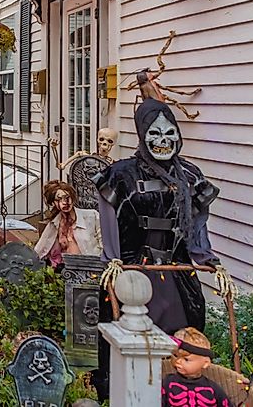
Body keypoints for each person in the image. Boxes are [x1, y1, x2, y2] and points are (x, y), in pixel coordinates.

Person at [91, 97, 235, 400]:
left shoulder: (190, 176)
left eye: (170, 133)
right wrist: (114, 260)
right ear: (143, 135)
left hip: (177, 272)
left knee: (182, 339)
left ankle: (179, 395)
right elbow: (108, 217)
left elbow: (197, 225)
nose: (163, 141)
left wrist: (209, 260)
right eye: (154, 134)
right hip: (133, 271)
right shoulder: (121, 175)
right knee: (131, 340)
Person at [34, 181, 102, 268]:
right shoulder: (54, 225)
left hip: (91, 268)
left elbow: (105, 245)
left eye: (67, 197)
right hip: (65, 271)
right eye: (58, 199)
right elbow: (39, 250)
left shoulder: (92, 216)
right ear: (53, 203)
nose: (64, 202)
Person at [162, 327, 231, 407]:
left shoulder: (213, 389)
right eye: (175, 356)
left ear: (205, 363)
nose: (178, 361)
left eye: (186, 359)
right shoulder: (166, 383)